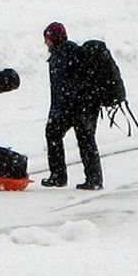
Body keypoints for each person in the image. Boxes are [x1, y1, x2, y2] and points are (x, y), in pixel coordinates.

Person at [41, 21, 103, 190]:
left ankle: (60, 176)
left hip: (76, 106)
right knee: (84, 140)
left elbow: (63, 87)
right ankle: (93, 179)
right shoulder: (70, 52)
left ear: (54, 38)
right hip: (85, 104)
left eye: (47, 38)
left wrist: (59, 110)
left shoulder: (62, 56)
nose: (45, 42)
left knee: (62, 135)